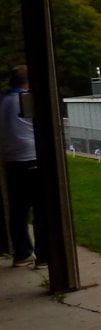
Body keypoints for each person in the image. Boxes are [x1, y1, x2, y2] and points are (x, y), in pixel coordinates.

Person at [0, 65, 49, 269]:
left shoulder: (3, 101)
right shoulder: (27, 99)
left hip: (12, 162)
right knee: (42, 210)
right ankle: (44, 255)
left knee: (18, 211)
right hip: (32, 159)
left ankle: (21, 254)